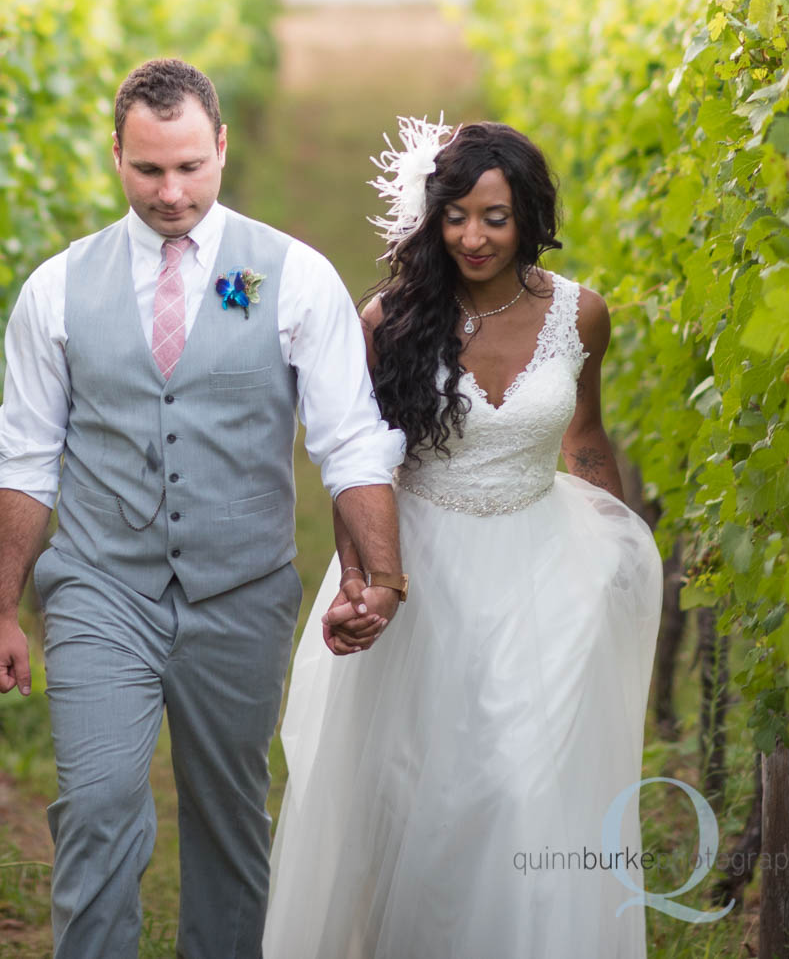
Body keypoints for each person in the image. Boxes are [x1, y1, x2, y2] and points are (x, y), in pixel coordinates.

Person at [0, 57, 409, 959]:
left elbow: (349, 441)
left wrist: (380, 572)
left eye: (188, 168)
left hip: (240, 594)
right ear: (116, 157)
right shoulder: (56, 289)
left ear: (220, 145)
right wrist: (1, 610)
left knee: (229, 824)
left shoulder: (294, 278)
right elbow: (24, 456)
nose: (170, 192)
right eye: (147, 170)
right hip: (102, 588)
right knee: (95, 808)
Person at [260, 119, 663, 957]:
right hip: (421, 571)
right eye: (456, 216)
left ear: (529, 219)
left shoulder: (580, 315)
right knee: (422, 799)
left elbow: (584, 437)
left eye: (496, 217)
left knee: (524, 784)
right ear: (431, 217)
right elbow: (354, 463)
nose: (473, 237)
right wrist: (366, 576)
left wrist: (617, 560)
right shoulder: (389, 320)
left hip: (546, 569)